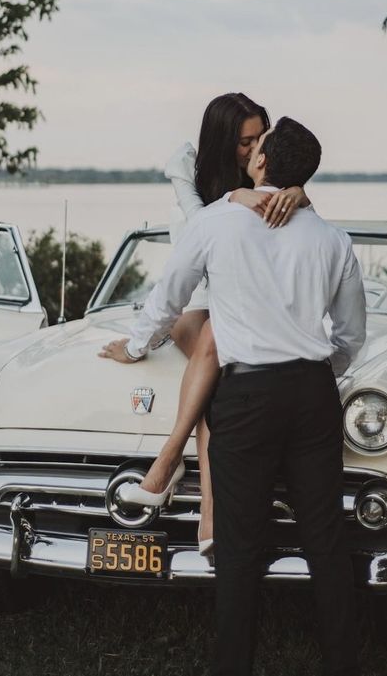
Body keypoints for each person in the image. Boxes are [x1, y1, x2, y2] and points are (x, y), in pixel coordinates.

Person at [101, 117, 366, 676]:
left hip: (247, 397)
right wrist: (313, 370)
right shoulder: (332, 238)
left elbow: (168, 298)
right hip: (314, 392)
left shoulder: (216, 223)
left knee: (240, 551)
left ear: (264, 161)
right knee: (325, 539)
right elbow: (349, 337)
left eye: (259, 145)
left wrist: (135, 345)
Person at [101, 92, 309, 555]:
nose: (254, 151)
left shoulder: (268, 181)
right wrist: (137, 345)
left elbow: (296, 239)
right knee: (214, 338)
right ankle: (193, 488)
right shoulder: (187, 180)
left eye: (261, 140)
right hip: (197, 305)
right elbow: (199, 238)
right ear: (221, 141)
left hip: (244, 305)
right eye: (244, 142)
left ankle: (172, 467)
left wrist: (296, 192)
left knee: (222, 383)